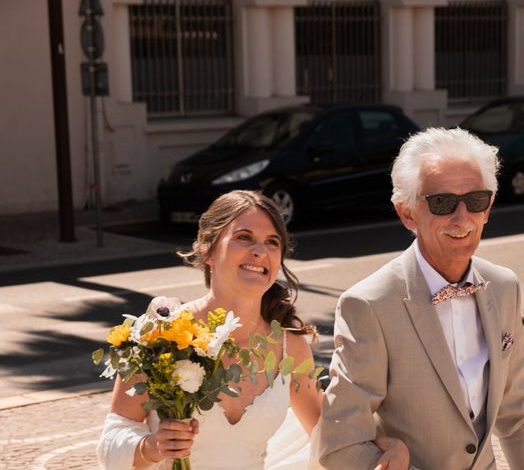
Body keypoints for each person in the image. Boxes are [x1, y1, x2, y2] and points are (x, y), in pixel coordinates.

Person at [97, 190, 405, 469]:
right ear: (207, 249)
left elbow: (330, 428)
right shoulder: (161, 333)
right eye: (244, 237)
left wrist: (387, 442)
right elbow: (111, 442)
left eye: (272, 242)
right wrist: (152, 448)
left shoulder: (289, 346)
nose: (260, 251)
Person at [311, 128, 524, 469]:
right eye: (443, 202)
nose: (462, 217)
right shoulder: (368, 305)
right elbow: (341, 445)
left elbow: (516, 417)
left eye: (476, 201)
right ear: (407, 213)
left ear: (489, 208)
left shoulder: (504, 286)